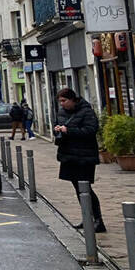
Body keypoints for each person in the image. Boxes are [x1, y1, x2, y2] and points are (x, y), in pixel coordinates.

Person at [53, 88, 105, 233]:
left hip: (84, 156)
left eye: (64, 101)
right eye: (60, 101)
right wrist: (57, 129)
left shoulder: (86, 111)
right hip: (68, 155)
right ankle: (87, 218)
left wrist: (69, 131)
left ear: (73, 99)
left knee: (86, 189)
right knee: (78, 189)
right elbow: (57, 126)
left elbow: (91, 130)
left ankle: (98, 220)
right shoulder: (62, 112)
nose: (62, 104)